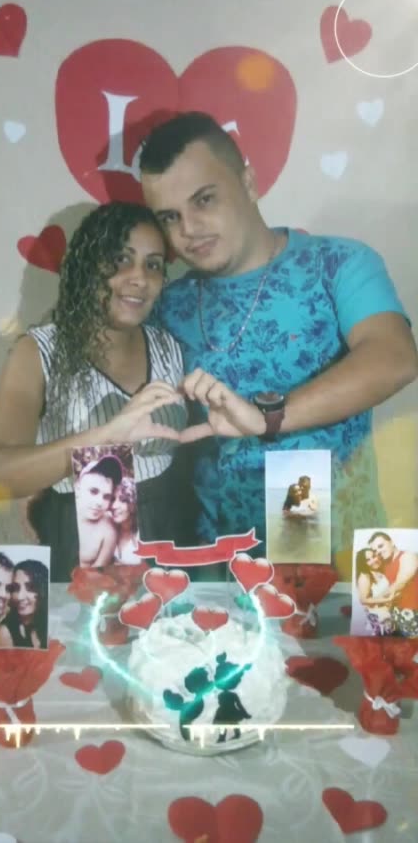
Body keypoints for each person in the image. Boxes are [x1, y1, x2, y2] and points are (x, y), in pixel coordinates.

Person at [139, 111, 418, 572]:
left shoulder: (338, 263)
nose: (188, 229)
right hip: (215, 572)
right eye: (170, 217)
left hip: (342, 568)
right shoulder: (166, 304)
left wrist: (266, 417)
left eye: (204, 199)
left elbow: (395, 358)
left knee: (330, 615)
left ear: (248, 183)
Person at [0, 202, 189, 581]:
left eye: (153, 265)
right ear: (88, 265)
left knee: (170, 621)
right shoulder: (39, 352)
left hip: (170, 533)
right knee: (91, 621)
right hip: (82, 542)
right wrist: (105, 437)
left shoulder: (169, 348)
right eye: (121, 259)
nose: (139, 278)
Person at [367, 531, 418, 637]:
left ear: (392, 542)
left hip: (413, 612)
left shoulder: (408, 556)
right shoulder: (385, 563)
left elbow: (401, 583)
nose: (378, 551)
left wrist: (374, 600)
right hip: (396, 612)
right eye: (375, 550)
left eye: (381, 546)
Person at [75, 456, 122, 568]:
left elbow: (99, 570)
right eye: (93, 491)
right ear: (77, 488)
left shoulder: (108, 528)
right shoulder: (63, 514)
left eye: (106, 497)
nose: (99, 502)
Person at [0, 559, 49, 649]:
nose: (19, 597)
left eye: (30, 587)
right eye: (16, 588)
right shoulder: (5, 632)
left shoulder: (49, 624)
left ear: (43, 590)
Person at [355, 547, 393, 636]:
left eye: (374, 556)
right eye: (368, 560)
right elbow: (363, 600)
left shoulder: (381, 571)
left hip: (388, 615)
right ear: (363, 563)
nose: (374, 560)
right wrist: (388, 599)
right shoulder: (365, 576)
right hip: (378, 617)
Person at [111, 476, 141, 565]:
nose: (114, 506)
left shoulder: (142, 534)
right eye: (113, 499)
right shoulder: (109, 529)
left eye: (122, 500)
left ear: (133, 504)